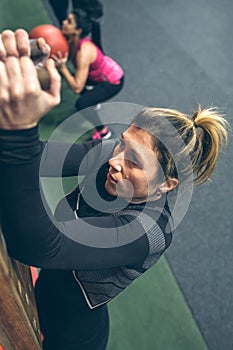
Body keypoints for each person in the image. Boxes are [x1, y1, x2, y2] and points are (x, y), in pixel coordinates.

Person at [0, 29, 229, 350]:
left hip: (73, 334)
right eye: (122, 144)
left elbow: (40, 247)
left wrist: (17, 129)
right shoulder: (111, 154)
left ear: (167, 184)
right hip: (43, 293)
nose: (116, 160)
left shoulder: (148, 231)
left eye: (134, 160)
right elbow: (36, 156)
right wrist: (14, 80)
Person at [52, 9, 124, 140]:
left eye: (69, 22)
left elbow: (77, 88)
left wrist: (62, 67)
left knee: (82, 104)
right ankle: (94, 99)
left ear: (77, 30)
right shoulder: (73, 41)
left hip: (113, 82)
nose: (63, 22)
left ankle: (103, 131)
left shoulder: (84, 53)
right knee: (75, 76)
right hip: (95, 76)